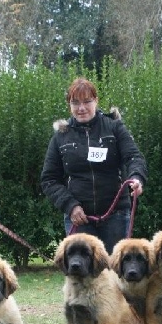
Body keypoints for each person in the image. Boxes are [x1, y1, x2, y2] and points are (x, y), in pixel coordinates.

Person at [41, 77, 146, 254]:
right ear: (69, 105)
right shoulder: (60, 136)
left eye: (87, 101)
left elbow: (134, 157)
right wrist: (70, 206)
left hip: (116, 216)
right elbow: (49, 179)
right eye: (75, 103)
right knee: (81, 276)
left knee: (116, 274)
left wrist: (137, 178)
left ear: (96, 101)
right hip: (79, 219)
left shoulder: (115, 127)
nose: (81, 108)